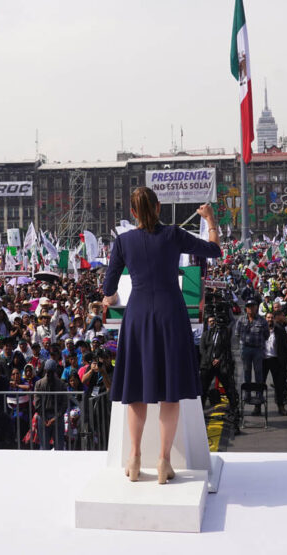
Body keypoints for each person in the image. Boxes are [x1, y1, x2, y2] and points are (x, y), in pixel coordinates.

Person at [101, 188, 221, 484]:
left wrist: (110, 297)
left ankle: (134, 457)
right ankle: (165, 461)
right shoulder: (173, 235)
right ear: (158, 208)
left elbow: (109, 287)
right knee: (170, 391)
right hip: (170, 314)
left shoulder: (123, 241)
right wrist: (211, 220)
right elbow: (214, 250)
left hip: (138, 316)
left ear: (133, 213)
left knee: (136, 392)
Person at [199, 315, 238, 417]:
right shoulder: (206, 334)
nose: (212, 323)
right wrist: (211, 360)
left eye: (214, 321)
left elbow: (226, 348)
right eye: (210, 321)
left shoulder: (224, 334)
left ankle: (234, 408)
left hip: (221, 365)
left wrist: (219, 359)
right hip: (208, 365)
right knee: (203, 388)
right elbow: (202, 349)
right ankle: (200, 410)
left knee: (228, 387)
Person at [235, 301, 268, 414]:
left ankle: (259, 396)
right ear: (246, 309)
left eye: (252, 307)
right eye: (248, 307)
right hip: (246, 349)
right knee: (246, 372)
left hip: (258, 349)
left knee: (259, 373)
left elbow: (266, 335)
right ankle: (247, 395)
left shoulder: (262, 320)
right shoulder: (241, 320)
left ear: (256, 308)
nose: (250, 309)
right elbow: (237, 333)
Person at [263, 311, 287, 415]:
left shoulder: (279, 330)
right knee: (260, 384)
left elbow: (286, 344)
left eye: (271, 317)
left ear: (274, 319)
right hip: (264, 360)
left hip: (276, 360)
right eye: (268, 317)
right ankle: (258, 406)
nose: (269, 319)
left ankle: (281, 406)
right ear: (265, 318)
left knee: (279, 385)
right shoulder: (261, 330)